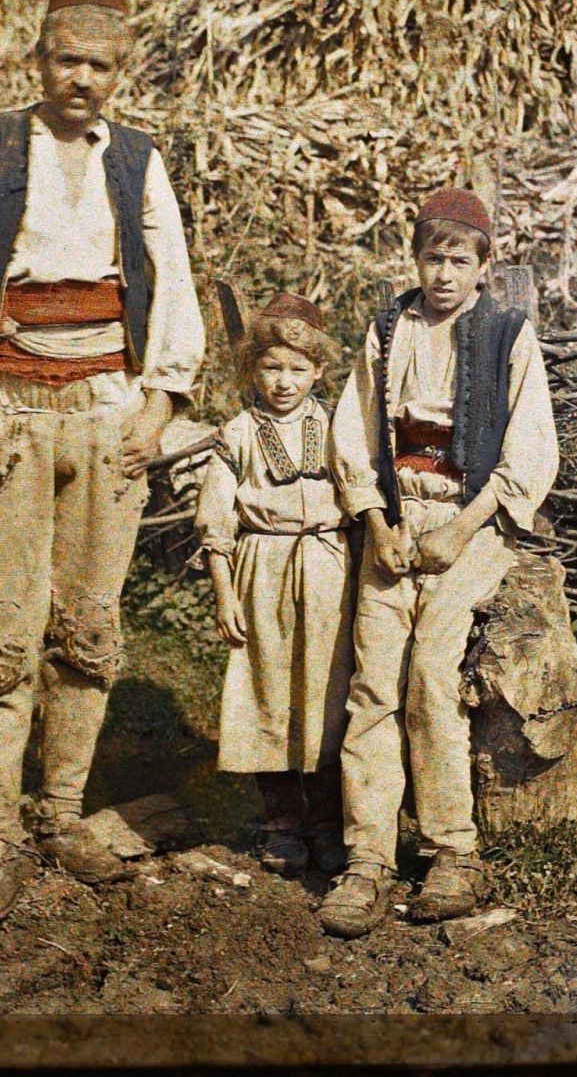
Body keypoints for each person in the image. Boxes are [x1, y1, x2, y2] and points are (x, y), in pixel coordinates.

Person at [0, 0, 205, 938]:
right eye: (66, 58)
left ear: (119, 72)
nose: (82, 77)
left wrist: (160, 398)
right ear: (38, 57)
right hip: (8, 413)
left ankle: (63, 815)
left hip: (105, 415)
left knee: (87, 628)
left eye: (100, 64)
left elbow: (170, 277)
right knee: (0, 633)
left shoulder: (136, 160)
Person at [319, 189, 559, 938]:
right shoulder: (389, 329)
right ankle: (366, 859)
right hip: (397, 520)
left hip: (469, 524)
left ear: (485, 265)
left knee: (429, 675)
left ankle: (453, 848)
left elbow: (529, 450)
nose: (444, 273)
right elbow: (354, 432)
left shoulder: (505, 335)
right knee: (372, 685)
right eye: (433, 257)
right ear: (415, 258)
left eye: (460, 259)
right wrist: (374, 519)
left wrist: (460, 529)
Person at [193, 294, 352, 877]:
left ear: (317, 371)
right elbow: (215, 520)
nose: (284, 383)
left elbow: (361, 494)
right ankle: (283, 823)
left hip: (329, 565)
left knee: (328, 693)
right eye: (271, 368)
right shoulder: (236, 434)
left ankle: (329, 823)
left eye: (297, 369)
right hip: (262, 568)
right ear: (252, 370)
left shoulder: (338, 426)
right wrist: (224, 591)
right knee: (269, 692)